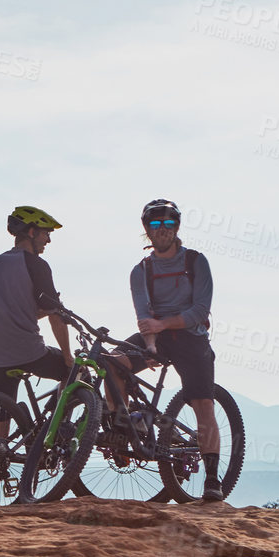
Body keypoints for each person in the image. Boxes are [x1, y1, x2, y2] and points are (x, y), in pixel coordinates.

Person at [119, 199, 224, 501]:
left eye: (167, 223)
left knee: (203, 404)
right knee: (115, 363)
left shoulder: (195, 261)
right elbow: (143, 315)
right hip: (158, 335)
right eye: (155, 224)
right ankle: (125, 429)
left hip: (191, 337)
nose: (162, 229)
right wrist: (150, 345)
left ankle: (212, 480)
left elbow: (200, 309)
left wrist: (162, 326)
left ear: (176, 227)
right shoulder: (140, 270)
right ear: (146, 230)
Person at [0, 205, 73, 503]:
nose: (48, 240)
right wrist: (69, 356)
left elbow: (18, 308)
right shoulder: (36, 265)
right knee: (73, 373)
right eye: (45, 234)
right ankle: (55, 434)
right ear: (31, 232)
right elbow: (55, 314)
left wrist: (41, 312)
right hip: (27, 350)